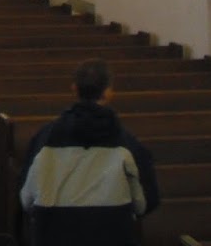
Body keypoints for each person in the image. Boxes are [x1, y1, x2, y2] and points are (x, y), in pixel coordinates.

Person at [19, 58, 160, 246]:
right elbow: (145, 203)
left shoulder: (46, 138)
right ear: (109, 92)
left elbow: (26, 199)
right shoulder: (126, 142)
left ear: (74, 89)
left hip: (54, 236)